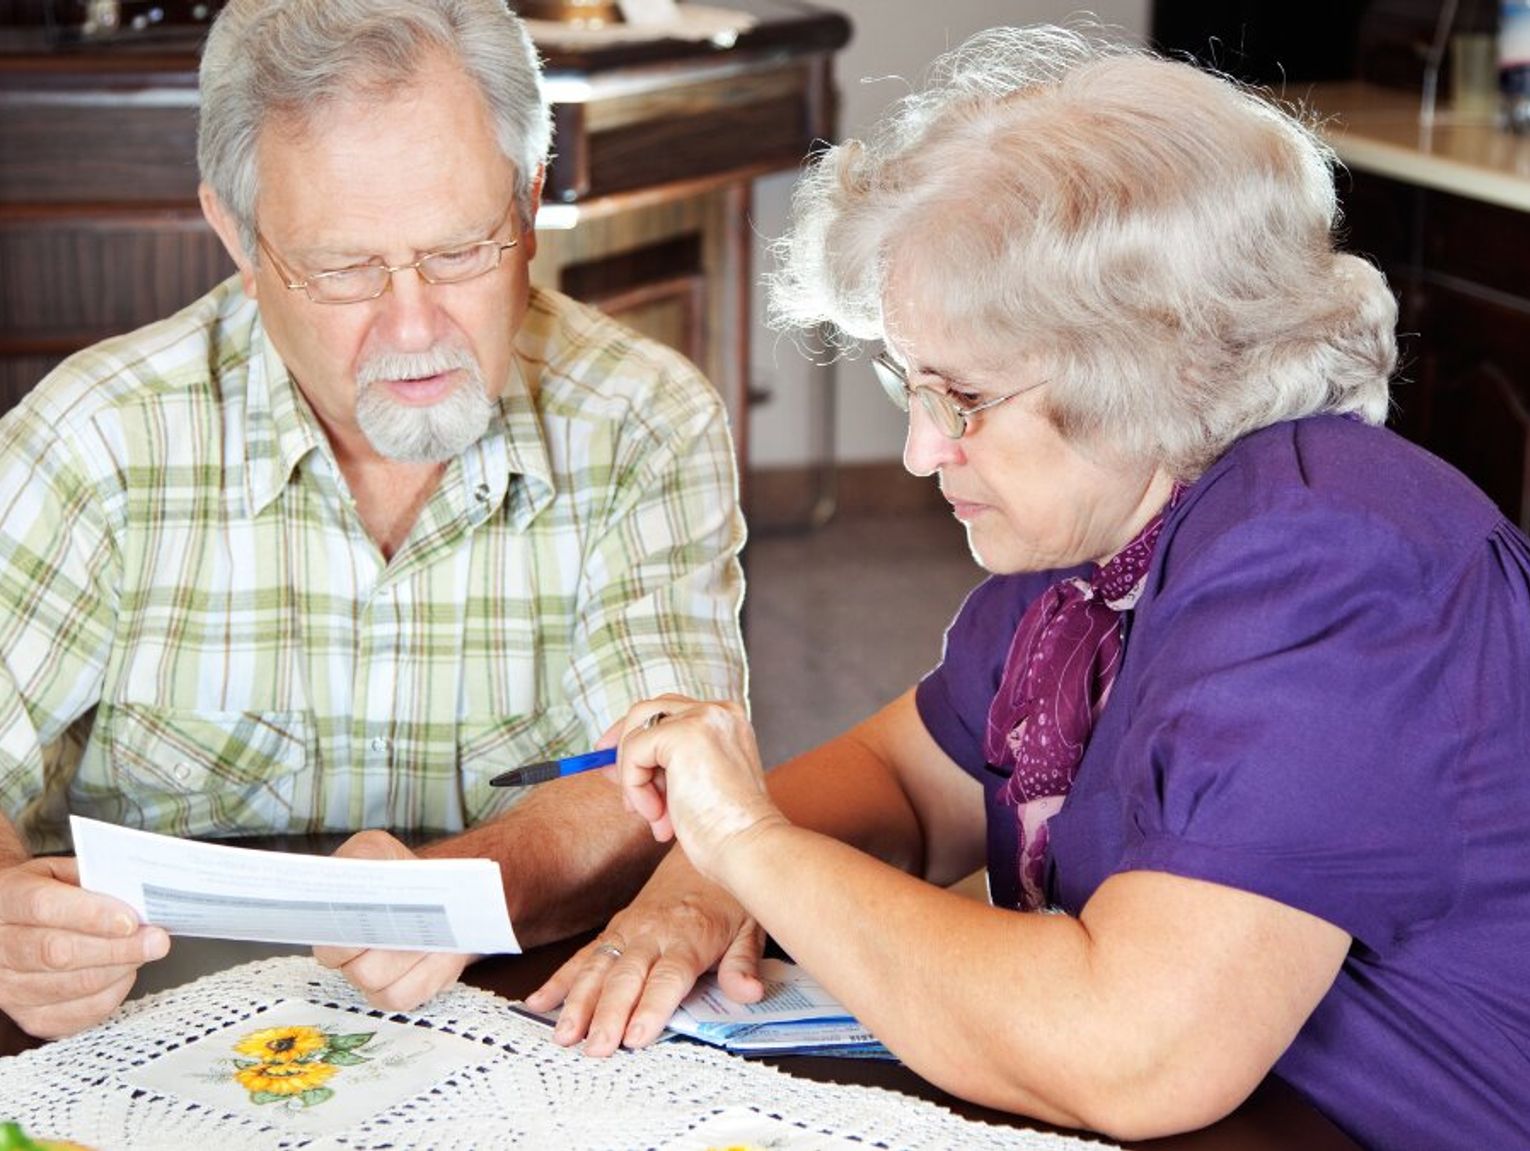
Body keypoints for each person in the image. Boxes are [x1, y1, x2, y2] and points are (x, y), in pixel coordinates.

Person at [526, 25, 1530, 1150]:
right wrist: (698, 888)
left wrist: (747, 842)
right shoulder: (1098, 548)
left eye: (962, 398)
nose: (920, 451)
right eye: (911, 384)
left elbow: (1135, 1052)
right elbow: (906, 788)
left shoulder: (1332, 563)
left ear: (1147, 366)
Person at [0, 0, 745, 1040]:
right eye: (345, 269)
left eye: (462, 250)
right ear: (238, 235)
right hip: (148, 1044)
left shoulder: (644, 421)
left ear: (530, 198)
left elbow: (671, 781)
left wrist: (443, 895)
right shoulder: (96, 436)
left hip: (513, 1026)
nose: (413, 325)